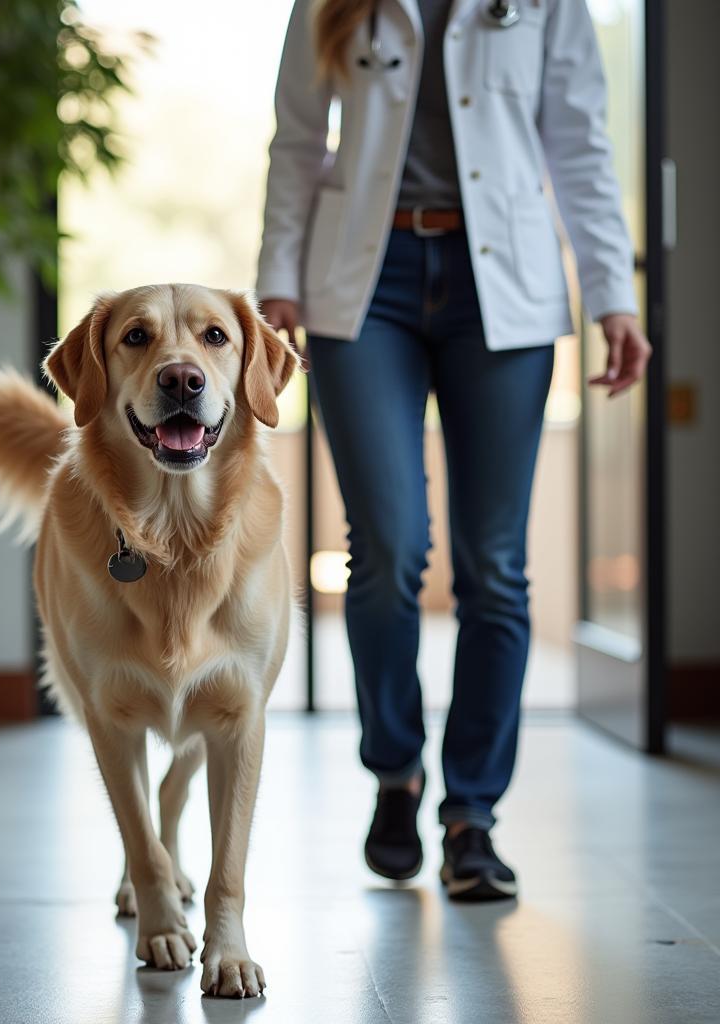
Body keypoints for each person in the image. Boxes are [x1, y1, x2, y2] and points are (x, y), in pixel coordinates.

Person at [257, 0, 651, 901]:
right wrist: (277, 281)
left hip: (501, 280)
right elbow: (296, 142)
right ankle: (396, 771)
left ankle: (472, 815)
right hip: (365, 284)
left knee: (495, 565)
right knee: (389, 549)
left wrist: (611, 293)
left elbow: (579, 141)